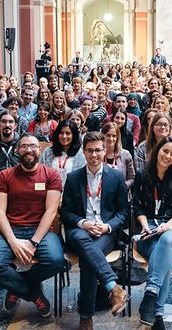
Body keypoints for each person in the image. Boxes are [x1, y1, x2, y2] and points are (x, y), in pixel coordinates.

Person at [0, 133, 65, 318]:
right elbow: (0, 212)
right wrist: (13, 242)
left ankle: (17, 287)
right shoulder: (5, 176)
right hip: (10, 230)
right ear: (18, 150)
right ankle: (33, 293)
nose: (29, 150)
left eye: (33, 146)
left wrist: (32, 243)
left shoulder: (51, 175)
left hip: (41, 231)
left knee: (57, 261)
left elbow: (50, 212)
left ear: (40, 150)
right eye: (24, 146)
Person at [60, 132, 130, 329]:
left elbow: (124, 212)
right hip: (79, 231)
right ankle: (113, 288)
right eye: (90, 150)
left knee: (89, 259)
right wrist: (83, 223)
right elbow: (65, 212)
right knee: (85, 244)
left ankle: (86, 317)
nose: (94, 154)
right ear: (84, 151)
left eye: (98, 150)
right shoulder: (73, 178)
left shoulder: (116, 176)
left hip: (106, 232)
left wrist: (108, 226)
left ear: (105, 150)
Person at [132, 136, 172, 328]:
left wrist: (169, 225)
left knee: (165, 242)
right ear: (157, 151)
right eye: (165, 151)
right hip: (148, 228)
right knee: (163, 257)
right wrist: (144, 226)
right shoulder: (142, 174)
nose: (168, 156)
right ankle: (157, 313)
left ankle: (151, 291)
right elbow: (137, 206)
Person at [39, 119, 86, 187]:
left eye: (68, 133)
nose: (64, 136)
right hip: (50, 193)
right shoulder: (47, 152)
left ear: (73, 135)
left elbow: (81, 178)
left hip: (71, 194)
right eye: (61, 133)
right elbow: (41, 175)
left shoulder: (79, 154)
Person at [101, 122, 135, 189]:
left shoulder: (125, 154)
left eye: (114, 136)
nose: (111, 139)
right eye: (108, 135)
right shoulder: (98, 154)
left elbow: (132, 178)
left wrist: (123, 186)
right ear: (103, 135)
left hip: (120, 194)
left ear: (117, 137)